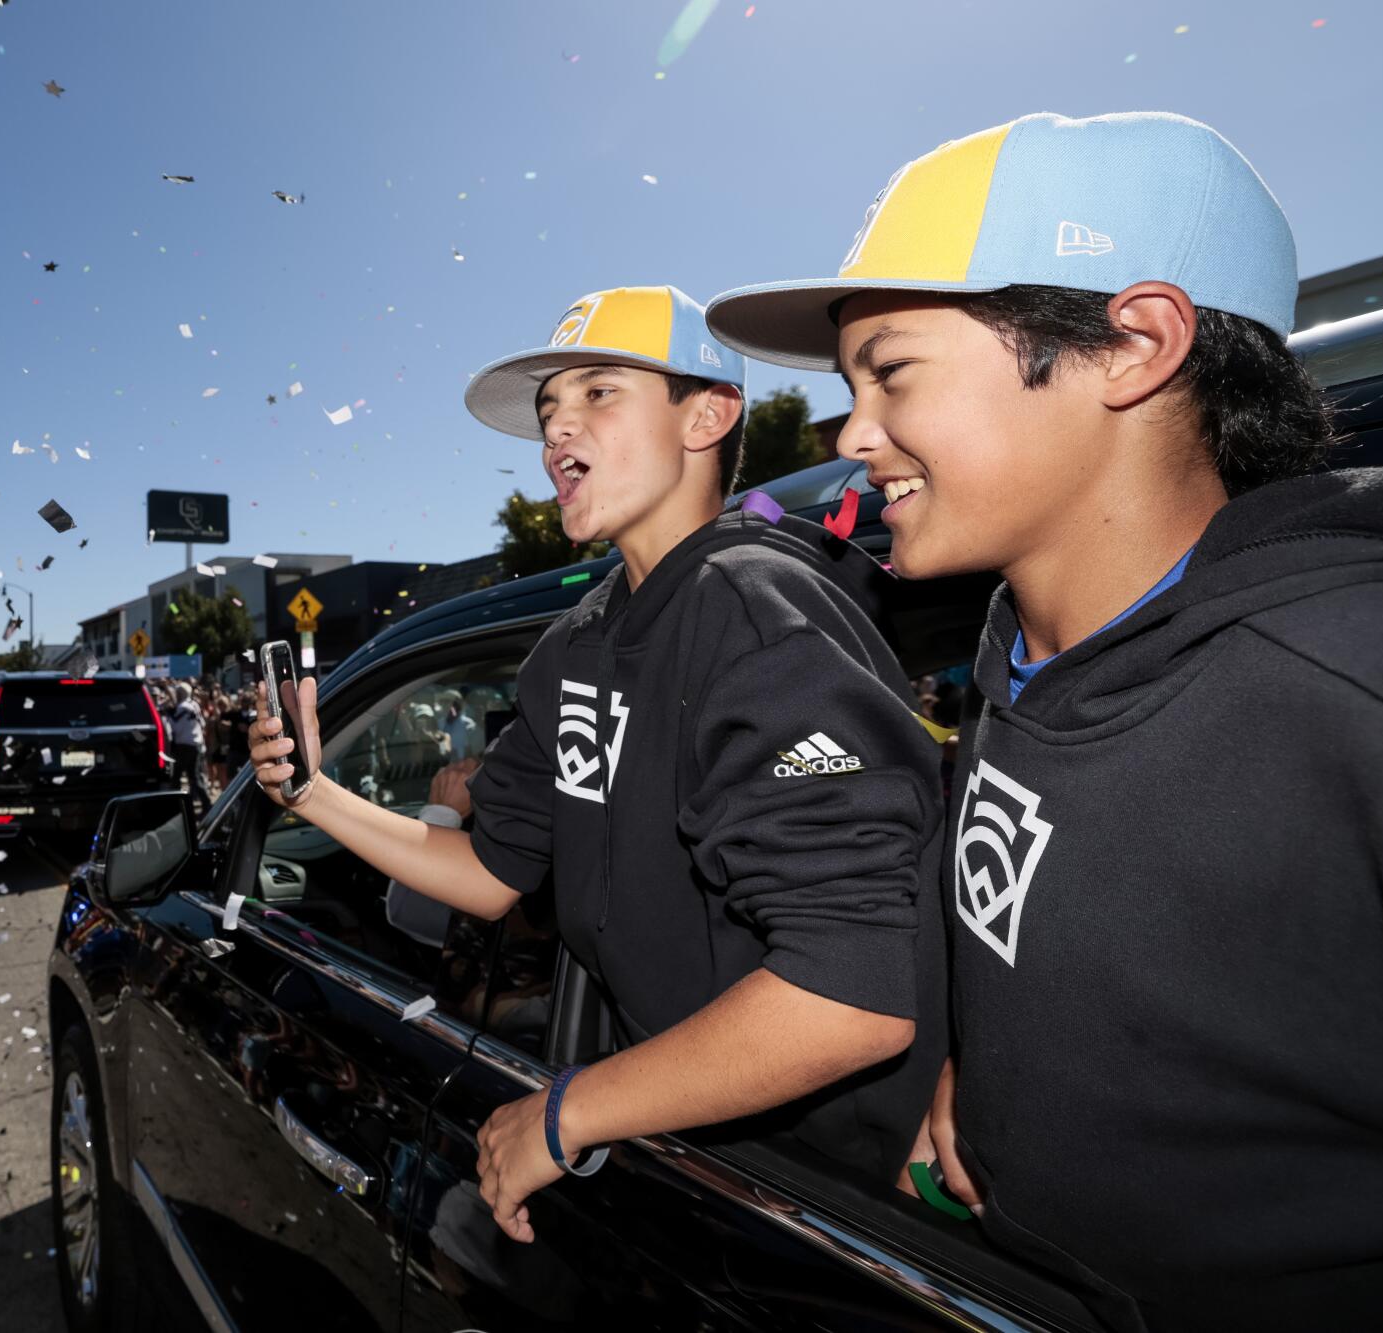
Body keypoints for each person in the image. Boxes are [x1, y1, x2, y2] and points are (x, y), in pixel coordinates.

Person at [706, 110, 1383, 1329]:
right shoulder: (1018, 662)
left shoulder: (1363, 690)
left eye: (891, 370)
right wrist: (990, 1069)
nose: (850, 436)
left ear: (1131, 345)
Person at [251, 284, 949, 1243]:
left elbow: (851, 994)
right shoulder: (578, 644)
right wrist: (311, 791)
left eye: (598, 393)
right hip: (682, 1163)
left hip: (824, 1203)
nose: (557, 430)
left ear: (707, 414)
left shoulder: (754, 609)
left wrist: (567, 1111)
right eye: (548, 411)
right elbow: (493, 872)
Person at [167, 683, 208, 816]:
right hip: (195, 744)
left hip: (185, 746)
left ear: (180, 694)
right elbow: (202, 723)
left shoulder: (182, 707)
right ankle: (206, 805)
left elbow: (173, 726)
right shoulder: (194, 705)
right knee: (194, 777)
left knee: (177, 777)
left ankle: (175, 808)